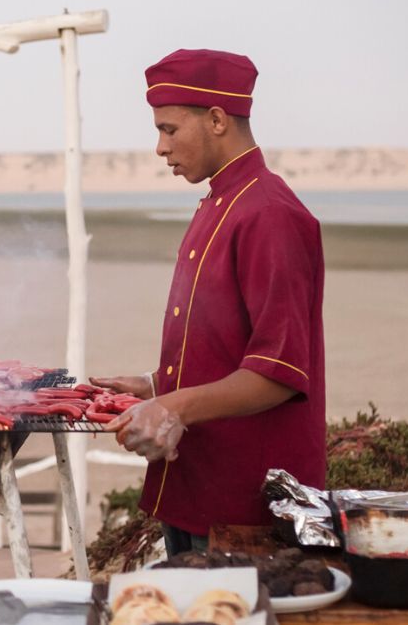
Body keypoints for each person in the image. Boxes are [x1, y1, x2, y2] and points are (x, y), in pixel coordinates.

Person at [94, 49, 326, 556]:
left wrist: (171, 406)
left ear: (217, 119)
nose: (160, 147)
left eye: (170, 129)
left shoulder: (269, 213)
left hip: (245, 502)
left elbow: (279, 371)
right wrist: (157, 384)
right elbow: (226, 343)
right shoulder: (221, 201)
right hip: (193, 486)